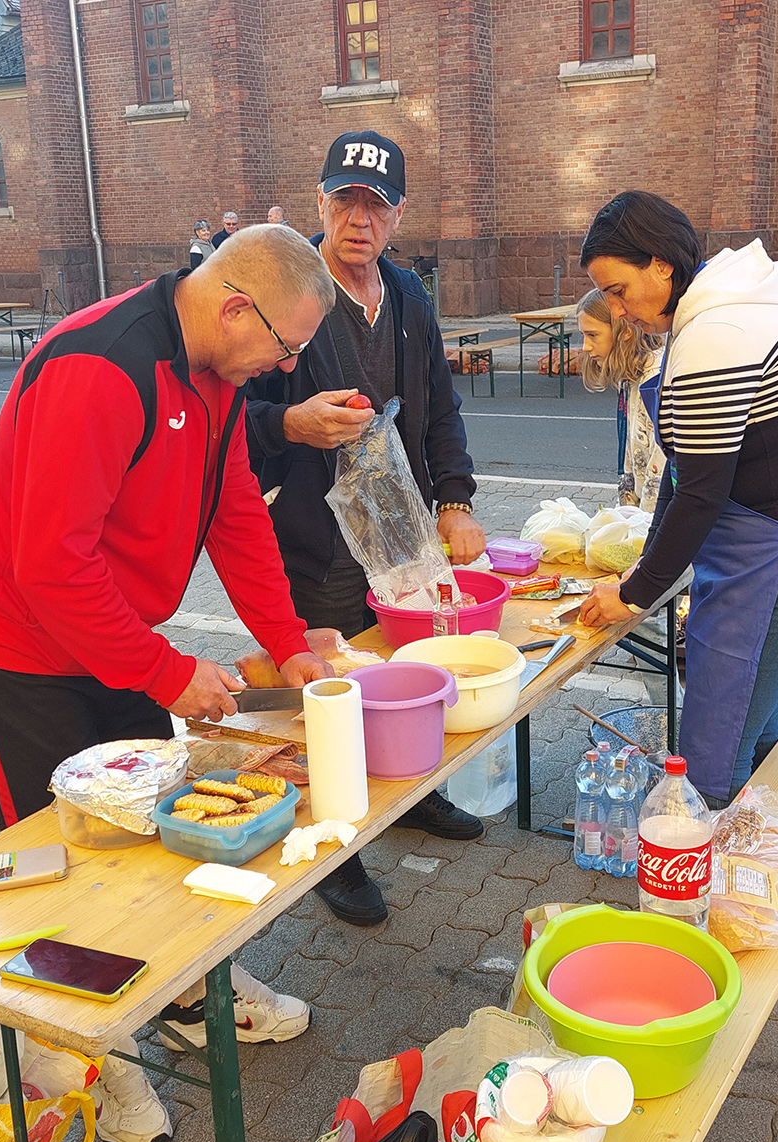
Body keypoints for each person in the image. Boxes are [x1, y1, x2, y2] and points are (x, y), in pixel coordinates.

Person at [0, 223, 337, 1142]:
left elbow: (233, 512)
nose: (285, 368)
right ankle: (93, 1063)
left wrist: (286, 642)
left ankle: (187, 997)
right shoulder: (101, 370)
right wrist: (165, 672)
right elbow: (50, 566)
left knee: (153, 831)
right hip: (9, 651)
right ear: (235, 305)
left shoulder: (219, 379)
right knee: (65, 864)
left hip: (104, 642)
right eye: (286, 346)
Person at [245, 130, 486, 926]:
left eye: (375, 205)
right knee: (327, 690)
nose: (359, 219)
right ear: (320, 200)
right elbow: (228, 412)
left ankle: (416, 794)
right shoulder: (288, 288)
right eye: (345, 198)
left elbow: (439, 407)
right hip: (313, 535)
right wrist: (288, 424)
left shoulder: (410, 296)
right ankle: (335, 850)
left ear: (397, 216)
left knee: (408, 668)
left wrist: (454, 498)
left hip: (399, 523)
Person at [576, 191, 778, 808]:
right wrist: (641, 573)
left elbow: (700, 493)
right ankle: (772, 837)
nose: (617, 310)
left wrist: (633, 594)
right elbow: (683, 478)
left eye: (619, 290)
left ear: (661, 266)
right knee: (755, 723)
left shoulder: (719, 332)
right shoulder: (723, 303)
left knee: (718, 744)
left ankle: (712, 885)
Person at [576, 287, 666, 511]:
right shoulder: (631, 378)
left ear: (625, 331)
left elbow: (660, 469)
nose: (585, 346)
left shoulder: (655, 381)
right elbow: (633, 457)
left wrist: (643, 524)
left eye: (593, 335)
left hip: (656, 520)